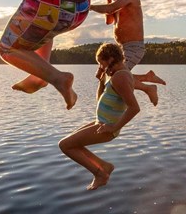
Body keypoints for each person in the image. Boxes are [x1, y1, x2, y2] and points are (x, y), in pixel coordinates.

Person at [59, 43, 140, 190]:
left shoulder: (120, 77)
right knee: (71, 142)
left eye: (101, 63)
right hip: (102, 122)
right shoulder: (117, 75)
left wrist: (114, 127)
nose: (101, 67)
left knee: (65, 145)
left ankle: (100, 173)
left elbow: (134, 108)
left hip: (107, 127)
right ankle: (104, 166)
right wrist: (101, 81)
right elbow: (99, 100)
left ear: (110, 59)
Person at [89, 0, 166, 106]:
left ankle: (148, 88)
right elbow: (109, 20)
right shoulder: (118, 2)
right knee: (102, 75)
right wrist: (108, 0)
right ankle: (147, 78)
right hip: (121, 48)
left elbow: (111, 9)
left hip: (134, 47)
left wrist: (89, 7)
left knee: (115, 75)